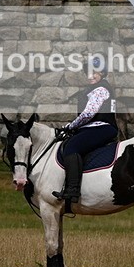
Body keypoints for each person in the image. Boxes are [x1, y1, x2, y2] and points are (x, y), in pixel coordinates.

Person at [53, 56, 118, 204]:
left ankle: (72, 190)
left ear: (102, 73)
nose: (90, 76)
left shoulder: (100, 89)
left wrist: (70, 126)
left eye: (94, 72)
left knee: (71, 147)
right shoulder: (96, 88)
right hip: (95, 127)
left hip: (100, 127)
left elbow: (89, 113)